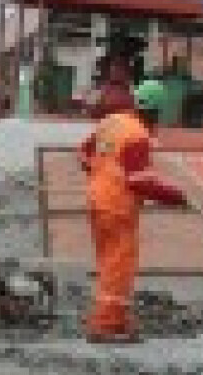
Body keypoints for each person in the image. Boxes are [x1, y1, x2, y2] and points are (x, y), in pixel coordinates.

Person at [79, 80, 189, 343]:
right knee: (119, 264)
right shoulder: (137, 135)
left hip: (97, 201)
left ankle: (116, 321)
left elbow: (84, 153)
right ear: (155, 110)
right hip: (117, 206)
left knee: (109, 263)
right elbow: (139, 181)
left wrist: (100, 173)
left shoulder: (112, 122)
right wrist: (175, 196)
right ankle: (106, 325)